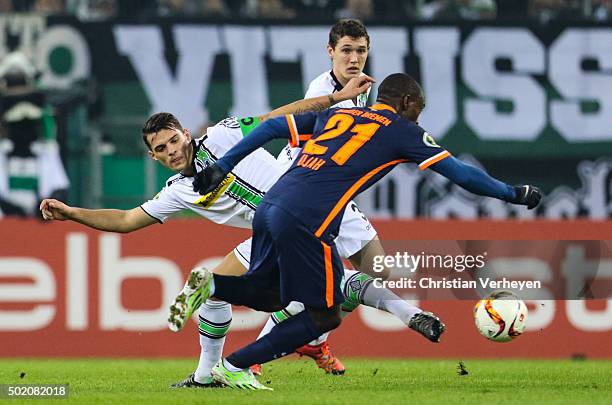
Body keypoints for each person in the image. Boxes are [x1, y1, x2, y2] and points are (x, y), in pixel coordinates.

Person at [39, 76, 440, 388]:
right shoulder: (178, 192)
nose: (171, 152)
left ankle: (354, 319)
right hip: (272, 234)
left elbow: (277, 118)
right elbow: (127, 221)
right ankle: (207, 375)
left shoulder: (225, 132)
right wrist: (73, 212)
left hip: (313, 203)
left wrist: (335, 100)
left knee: (372, 274)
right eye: (161, 150)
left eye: (174, 141)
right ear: (153, 156)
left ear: (185, 132)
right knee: (214, 291)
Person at [188, 73, 543, 390]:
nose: (420, 114)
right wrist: (514, 193)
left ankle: (214, 284)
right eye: (420, 107)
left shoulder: (339, 114)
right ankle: (234, 365)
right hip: (310, 219)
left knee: (271, 295)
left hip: (270, 206)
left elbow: (269, 128)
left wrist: (223, 165)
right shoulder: (403, 131)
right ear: (407, 102)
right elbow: (463, 175)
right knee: (325, 314)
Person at [254, 18, 376, 376]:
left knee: (371, 273)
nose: (354, 58)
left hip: (325, 189)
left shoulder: (362, 87)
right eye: (346, 50)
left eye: (361, 50)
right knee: (367, 272)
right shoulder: (323, 93)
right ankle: (262, 351)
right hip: (305, 188)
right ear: (330, 52)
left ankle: (311, 337)